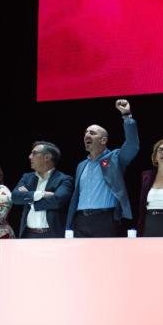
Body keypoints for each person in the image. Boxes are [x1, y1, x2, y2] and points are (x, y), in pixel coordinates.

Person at [66, 99, 141, 237]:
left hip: (105, 219)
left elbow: (132, 145)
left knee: (105, 258)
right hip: (80, 220)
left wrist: (127, 116)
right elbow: (76, 197)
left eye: (92, 133)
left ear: (103, 140)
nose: (87, 135)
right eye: (86, 133)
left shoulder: (115, 158)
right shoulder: (81, 165)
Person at [11, 141, 74, 238]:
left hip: (51, 235)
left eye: (34, 153)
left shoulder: (64, 179)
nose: (30, 157)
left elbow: (58, 201)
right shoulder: (27, 178)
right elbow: (15, 197)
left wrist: (30, 200)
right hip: (28, 234)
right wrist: (41, 194)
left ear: (47, 157)